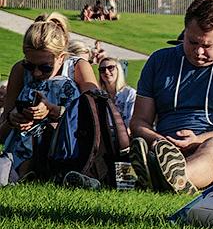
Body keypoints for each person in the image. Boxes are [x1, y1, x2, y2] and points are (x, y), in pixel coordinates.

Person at [129, 0, 213, 194]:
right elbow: (139, 122)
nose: (198, 51)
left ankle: (166, 177)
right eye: (191, 42)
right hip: (166, 146)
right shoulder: (159, 61)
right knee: (144, 144)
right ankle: (164, 170)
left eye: (208, 46)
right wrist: (159, 141)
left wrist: (197, 140)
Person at [0, 13, 99, 181]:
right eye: (29, 65)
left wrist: (55, 111)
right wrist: (12, 119)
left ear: (61, 57)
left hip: (69, 147)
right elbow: (2, 134)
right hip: (24, 152)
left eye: (45, 67)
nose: (36, 73)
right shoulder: (19, 71)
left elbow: (94, 120)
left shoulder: (78, 68)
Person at [97, 58, 137, 129]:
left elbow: (131, 120)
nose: (106, 71)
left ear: (118, 70)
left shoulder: (130, 94)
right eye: (102, 69)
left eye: (110, 68)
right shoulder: (98, 95)